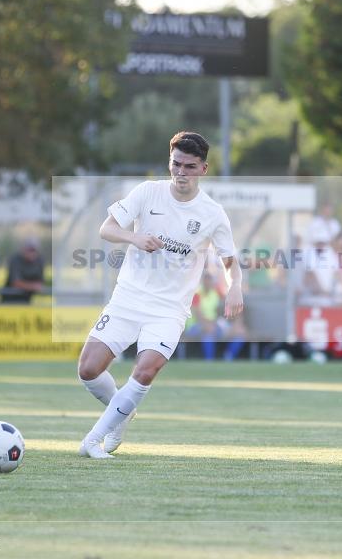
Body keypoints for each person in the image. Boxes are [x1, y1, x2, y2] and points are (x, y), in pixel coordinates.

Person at [76, 131, 243, 459]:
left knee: (145, 370)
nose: (181, 173)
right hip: (128, 297)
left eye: (190, 167)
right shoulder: (147, 192)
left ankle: (92, 441)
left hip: (169, 309)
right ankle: (121, 415)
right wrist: (133, 238)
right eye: (176, 164)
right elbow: (106, 229)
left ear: (204, 170)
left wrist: (235, 285)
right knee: (88, 369)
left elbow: (230, 262)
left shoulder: (212, 213)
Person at [185, 272, 245, 361]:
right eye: (206, 280)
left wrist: (237, 322)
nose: (208, 282)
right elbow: (198, 316)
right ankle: (210, 361)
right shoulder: (196, 294)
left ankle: (228, 357)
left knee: (240, 333)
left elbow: (232, 304)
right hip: (194, 326)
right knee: (208, 334)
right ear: (202, 281)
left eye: (210, 280)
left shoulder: (216, 292)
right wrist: (211, 325)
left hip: (214, 324)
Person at [4, 237, 45, 303]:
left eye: (34, 250)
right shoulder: (15, 260)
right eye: (29, 250)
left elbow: (40, 283)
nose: (32, 253)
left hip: (27, 300)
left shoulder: (40, 261)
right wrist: (33, 286)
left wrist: (32, 286)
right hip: (10, 301)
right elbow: (16, 283)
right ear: (23, 249)